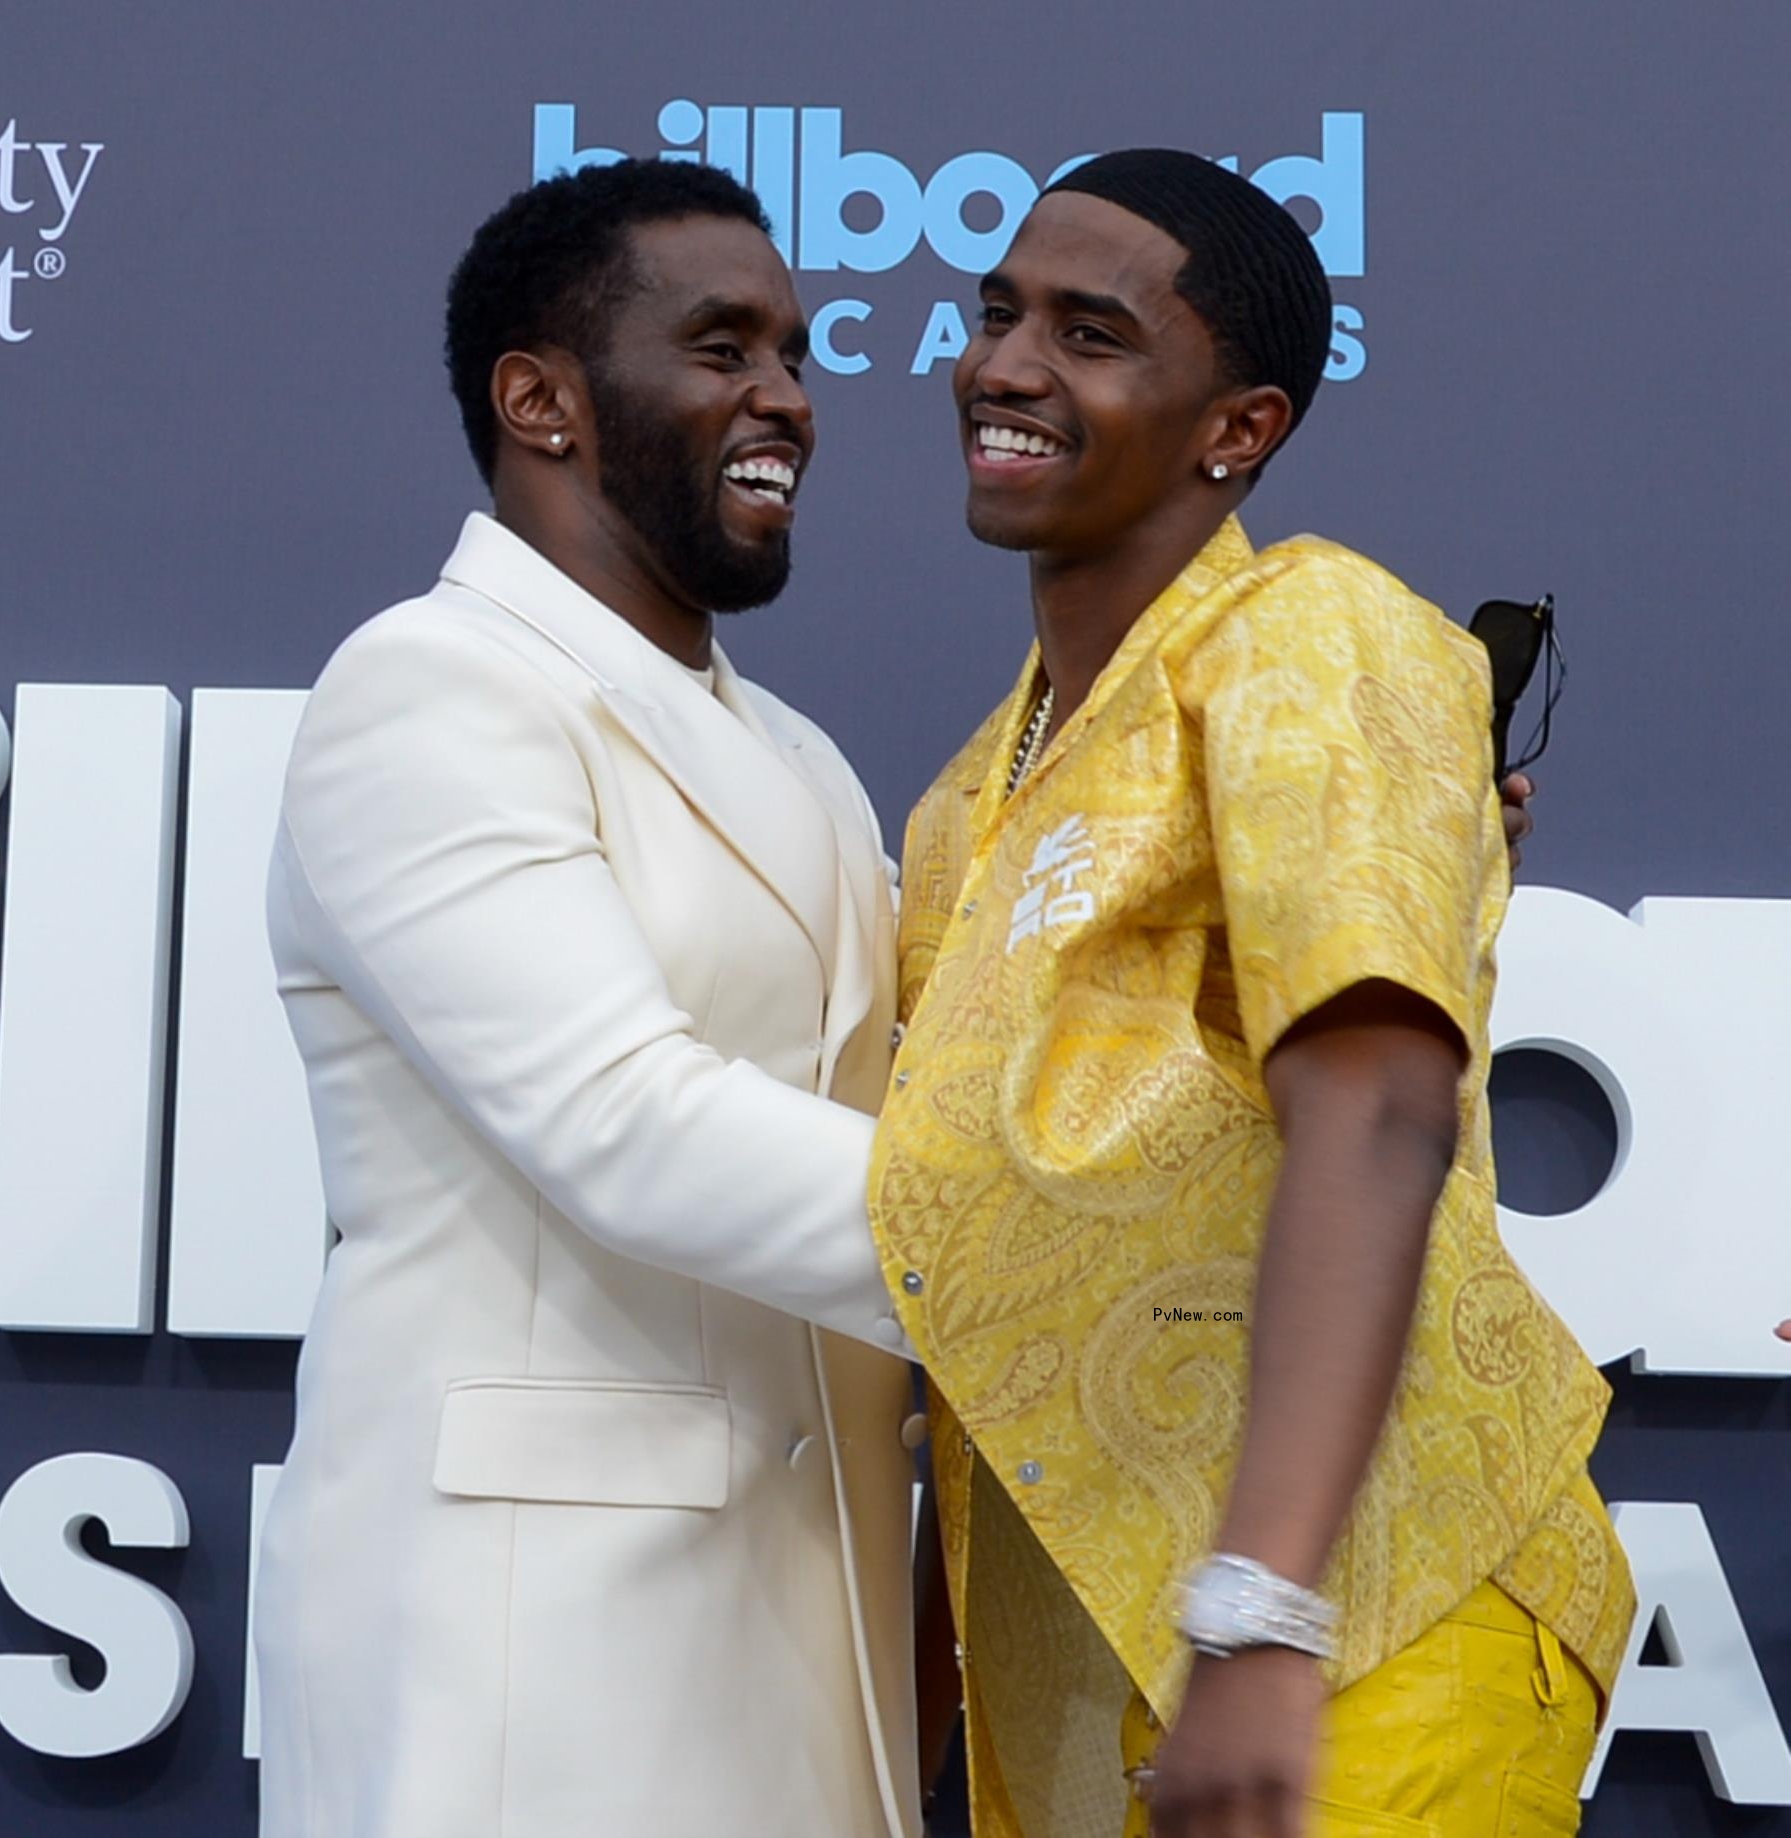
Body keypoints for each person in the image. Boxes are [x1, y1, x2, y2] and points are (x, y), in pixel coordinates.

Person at [869, 150, 1632, 1838]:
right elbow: (976, 1308)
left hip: (1366, 1628)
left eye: (1091, 333)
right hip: (1078, 1690)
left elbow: (1374, 1101)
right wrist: (903, 1726)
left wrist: (1265, 1612)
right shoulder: (951, 812)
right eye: (998, 317)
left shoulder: (1316, 629)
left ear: (1240, 427)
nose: (1006, 366)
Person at [253, 159, 925, 1838]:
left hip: (815, 1633)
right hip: (534, 1648)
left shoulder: (802, 755)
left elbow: (940, 1087)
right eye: (722, 348)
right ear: (541, 401)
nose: (787, 397)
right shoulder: (429, 688)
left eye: (795, 349)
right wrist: (1094, 1256)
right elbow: (625, 1125)